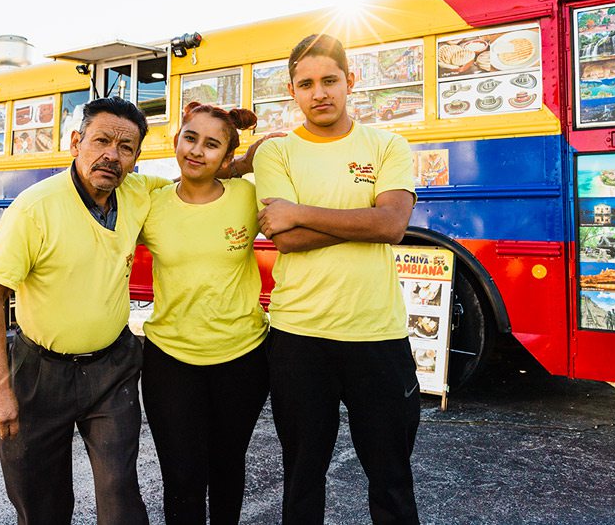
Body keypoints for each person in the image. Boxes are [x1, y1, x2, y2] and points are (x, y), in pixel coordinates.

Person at [0, 96, 171, 524]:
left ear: (136, 159)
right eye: (101, 140)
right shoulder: (34, 208)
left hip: (112, 368)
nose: (111, 155)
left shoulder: (139, 192)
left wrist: (240, 158)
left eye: (125, 148)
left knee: (120, 493)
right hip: (39, 372)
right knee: (39, 499)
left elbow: (197, 177)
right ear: (75, 142)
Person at [253, 33, 421, 524]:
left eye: (329, 80)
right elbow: (285, 240)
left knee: (391, 479)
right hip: (298, 337)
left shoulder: (388, 144)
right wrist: (364, 218)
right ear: (292, 91)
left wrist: (300, 212)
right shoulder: (275, 153)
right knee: (302, 478)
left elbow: (392, 225)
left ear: (352, 81)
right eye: (306, 84)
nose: (319, 93)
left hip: (378, 335)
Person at [139, 102, 270, 524]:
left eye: (212, 145)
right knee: (181, 478)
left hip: (243, 358)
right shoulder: (150, 201)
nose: (197, 151)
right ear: (177, 139)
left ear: (227, 158)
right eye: (190, 138)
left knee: (227, 468)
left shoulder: (248, 197)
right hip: (170, 361)